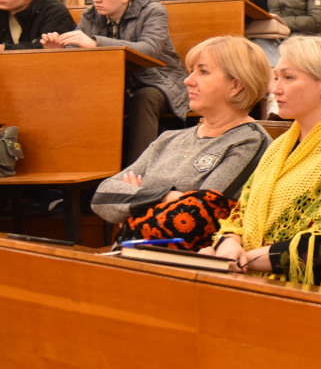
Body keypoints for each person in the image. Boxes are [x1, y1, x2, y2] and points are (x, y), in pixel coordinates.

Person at [201, 36, 321, 285]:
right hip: (247, 278)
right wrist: (229, 245)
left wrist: (240, 261)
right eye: (276, 77)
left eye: (289, 77)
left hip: (297, 291)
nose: (275, 89)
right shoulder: (279, 147)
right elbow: (239, 215)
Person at [91, 36, 273, 250]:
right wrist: (167, 197)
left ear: (235, 86)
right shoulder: (169, 139)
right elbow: (102, 198)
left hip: (183, 270)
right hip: (131, 259)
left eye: (203, 72)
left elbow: (193, 220)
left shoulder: (249, 142)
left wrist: (131, 208)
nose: (188, 81)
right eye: (191, 71)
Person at [41, 0, 189, 164]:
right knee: (83, 98)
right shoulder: (91, 15)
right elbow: (79, 55)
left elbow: (150, 50)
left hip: (158, 80)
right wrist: (59, 52)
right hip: (114, 83)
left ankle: (138, 172)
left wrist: (96, 43)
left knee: (144, 98)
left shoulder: (153, 11)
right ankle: (90, 166)